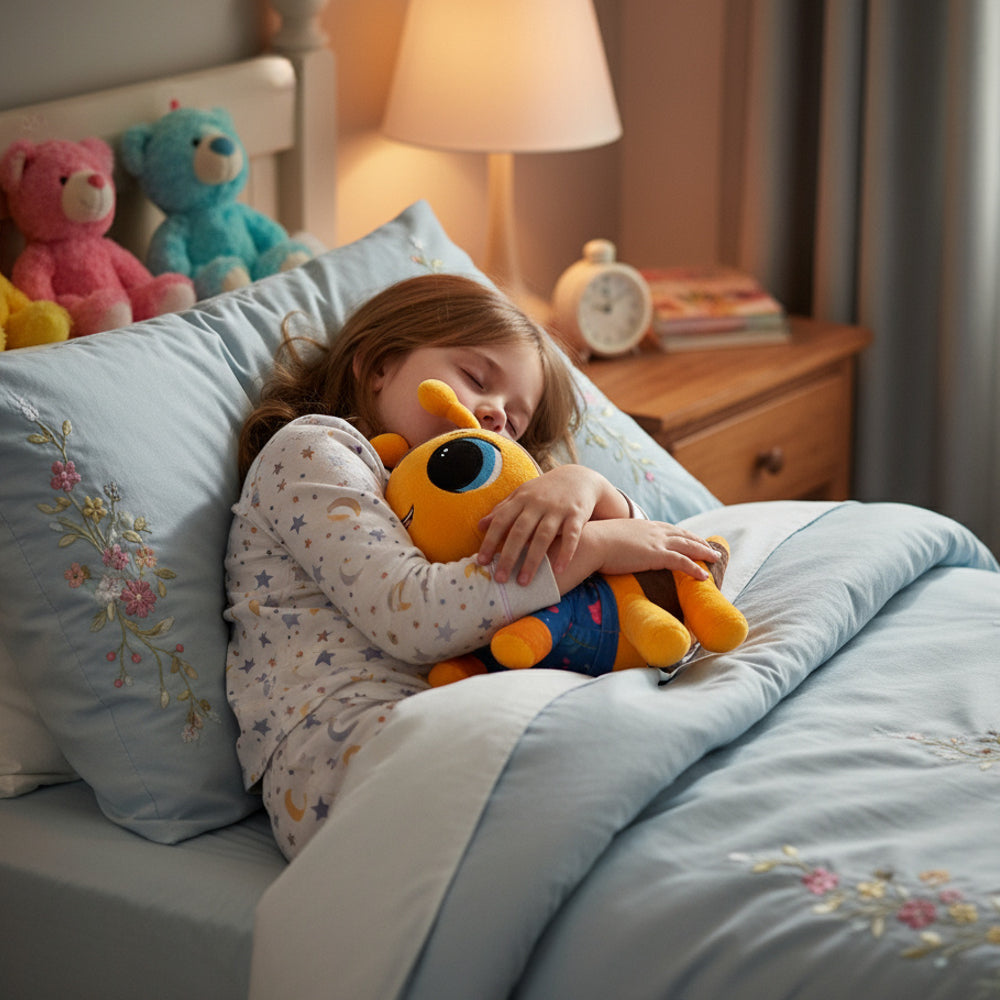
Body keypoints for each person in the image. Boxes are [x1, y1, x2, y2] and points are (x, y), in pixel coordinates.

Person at [224, 273, 718, 858]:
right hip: (352, 755)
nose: (493, 416)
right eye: (476, 378)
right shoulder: (314, 452)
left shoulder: (475, 505)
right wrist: (600, 544)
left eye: (516, 420)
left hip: (470, 711)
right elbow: (411, 613)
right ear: (378, 365)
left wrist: (585, 487)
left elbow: (674, 570)